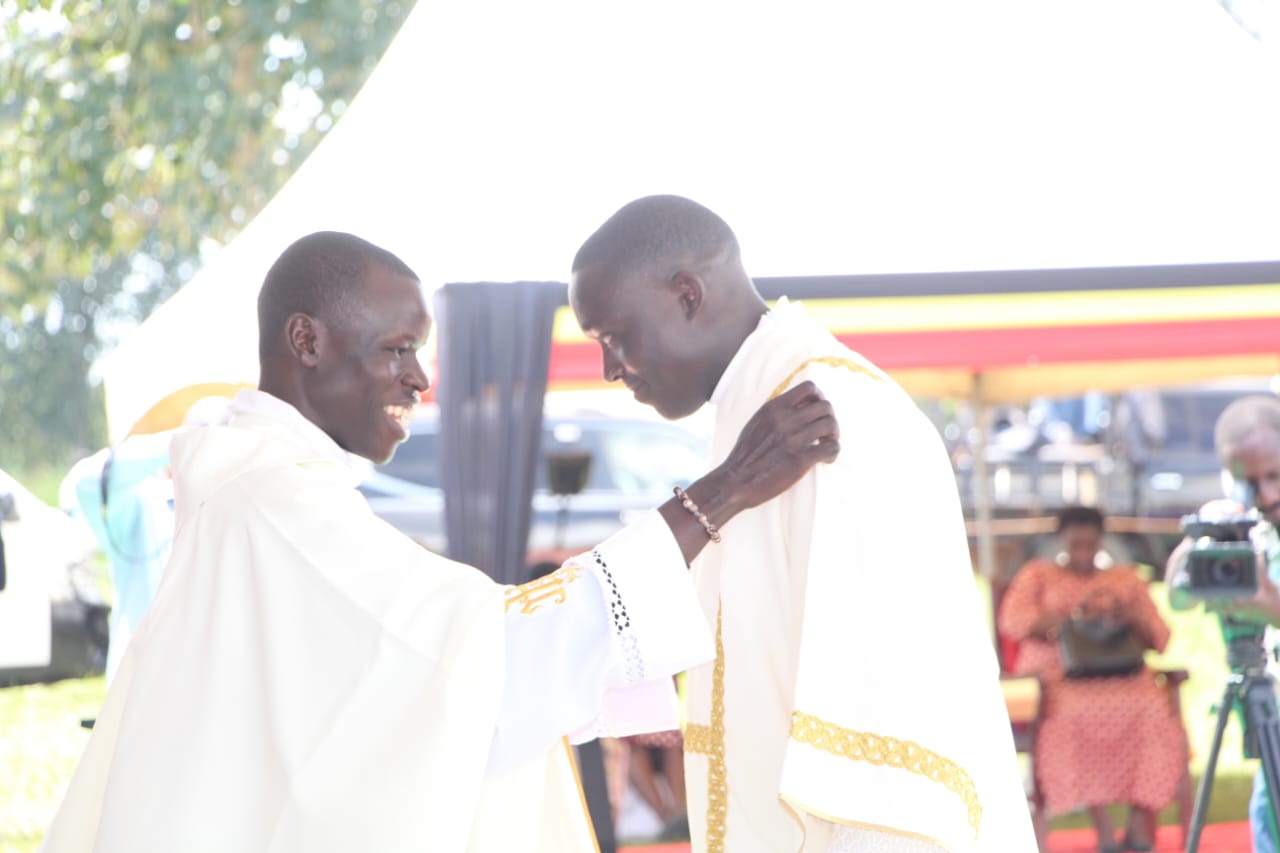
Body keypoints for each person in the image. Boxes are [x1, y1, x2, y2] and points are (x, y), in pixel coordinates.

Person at [41, 231, 839, 853]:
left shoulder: (255, 492)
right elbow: (484, 658)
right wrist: (721, 492)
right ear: (307, 341)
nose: (421, 379)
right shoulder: (271, 505)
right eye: (397, 349)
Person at [569, 195, 1034, 852]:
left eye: (614, 336)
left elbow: (879, 729)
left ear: (687, 294)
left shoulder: (827, 416)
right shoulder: (759, 411)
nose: (610, 368)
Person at [998, 505, 1188, 853]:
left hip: (1124, 676)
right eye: (1076, 543)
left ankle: (1138, 823)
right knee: (1073, 717)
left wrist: (1125, 615)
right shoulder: (1039, 575)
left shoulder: (1124, 580)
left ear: (1101, 541)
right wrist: (1068, 623)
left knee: (1152, 711)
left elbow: (1161, 636)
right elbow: (1012, 621)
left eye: (1090, 543)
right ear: (1061, 542)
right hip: (1061, 680)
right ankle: (1102, 826)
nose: (1083, 551)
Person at [1167, 394, 1280, 853]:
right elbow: (1177, 596)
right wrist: (1207, 535)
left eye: (1274, 475)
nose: (1267, 494)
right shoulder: (1245, 532)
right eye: (1249, 482)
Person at [59, 398, 231, 682]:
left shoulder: (245, 510)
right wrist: (179, 442)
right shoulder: (145, 504)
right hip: (146, 687)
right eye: (205, 436)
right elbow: (86, 482)